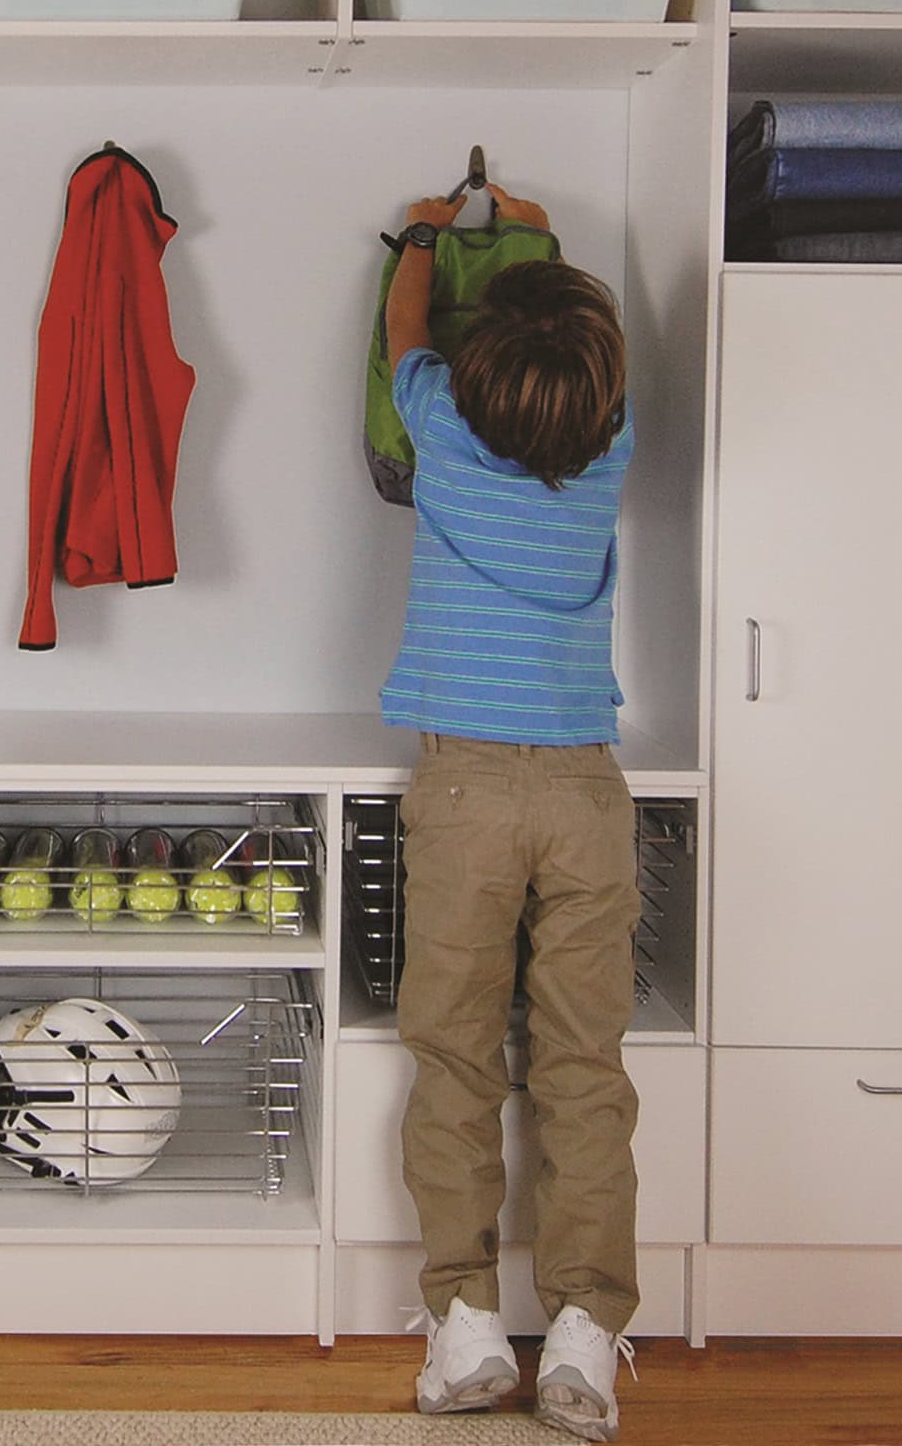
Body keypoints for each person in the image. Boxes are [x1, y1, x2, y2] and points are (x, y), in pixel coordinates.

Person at [380, 184, 640, 1442]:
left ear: (475, 370)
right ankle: (583, 1342)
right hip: (588, 788)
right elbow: (585, 356)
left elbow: (404, 333)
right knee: (586, 1067)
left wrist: (431, 233)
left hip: (469, 786)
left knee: (456, 1057)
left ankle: (467, 1327)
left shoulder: (436, 421)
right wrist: (552, 240)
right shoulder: (613, 444)